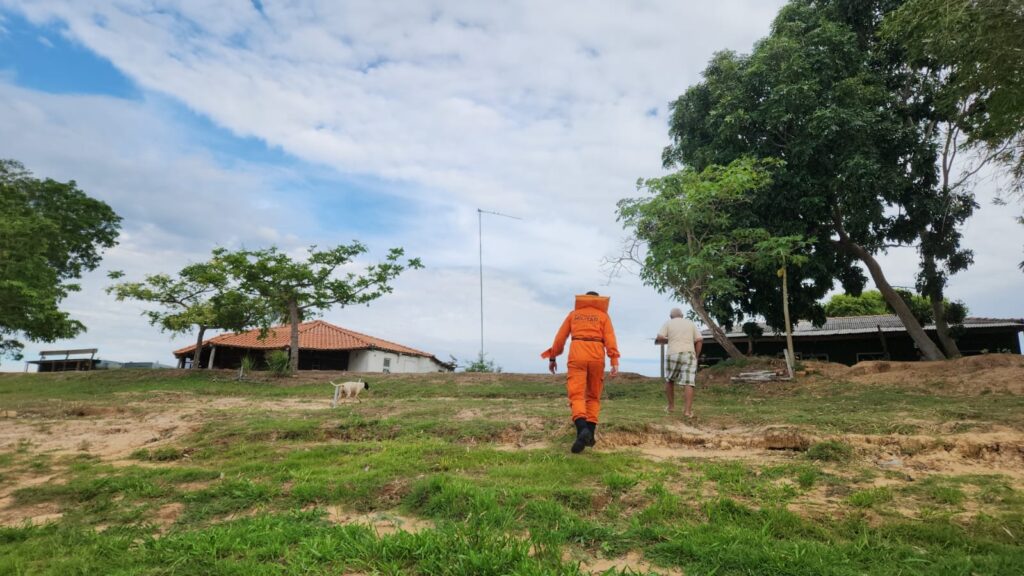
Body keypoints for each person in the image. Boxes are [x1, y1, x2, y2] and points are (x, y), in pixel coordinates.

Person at [541, 291, 620, 453]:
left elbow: (560, 337)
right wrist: (614, 360)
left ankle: (582, 428)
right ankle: (588, 433)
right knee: (593, 396)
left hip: (577, 354)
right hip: (597, 355)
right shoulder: (603, 316)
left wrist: (553, 357)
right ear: (598, 301)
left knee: (576, 395)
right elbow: (610, 338)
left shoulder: (574, 315)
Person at [655, 308, 703, 417]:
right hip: (689, 353)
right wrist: (696, 355)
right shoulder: (690, 323)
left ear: (671, 316)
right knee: (689, 382)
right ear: (682, 315)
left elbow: (659, 338)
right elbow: (699, 339)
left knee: (669, 380)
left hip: (673, 353)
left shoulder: (668, 323)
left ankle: (671, 407)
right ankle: (687, 412)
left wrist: (670, 340)